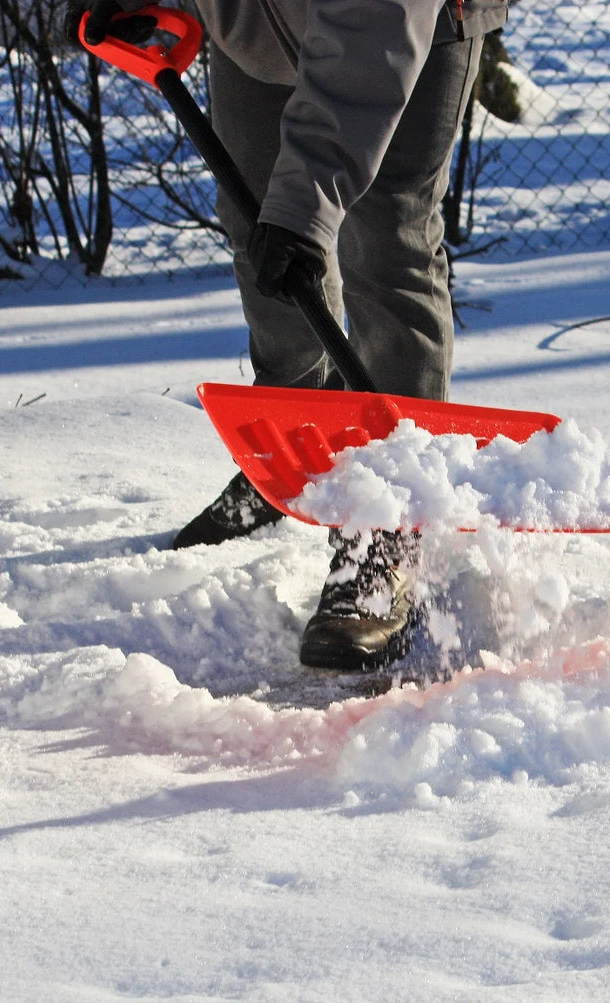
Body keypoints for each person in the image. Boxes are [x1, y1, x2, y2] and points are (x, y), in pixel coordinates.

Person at [70, 0, 507, 671]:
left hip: (404, 22)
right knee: (259, 227)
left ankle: (389, 521)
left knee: (385, 240)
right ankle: (294, 457)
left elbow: (375, 26)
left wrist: (306, 210)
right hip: (250, 22)